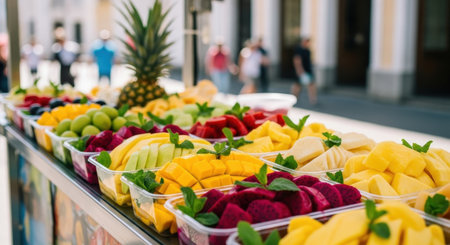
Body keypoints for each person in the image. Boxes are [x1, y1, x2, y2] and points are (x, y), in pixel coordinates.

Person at [291, 37, 317, 105]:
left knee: (311, 84)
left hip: (308, 71)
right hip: (301, 71)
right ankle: (293, 99)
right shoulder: (299, 50)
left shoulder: (307, 50)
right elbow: (297, 61)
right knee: (297, 85)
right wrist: (299, 71)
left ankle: (313, 99)